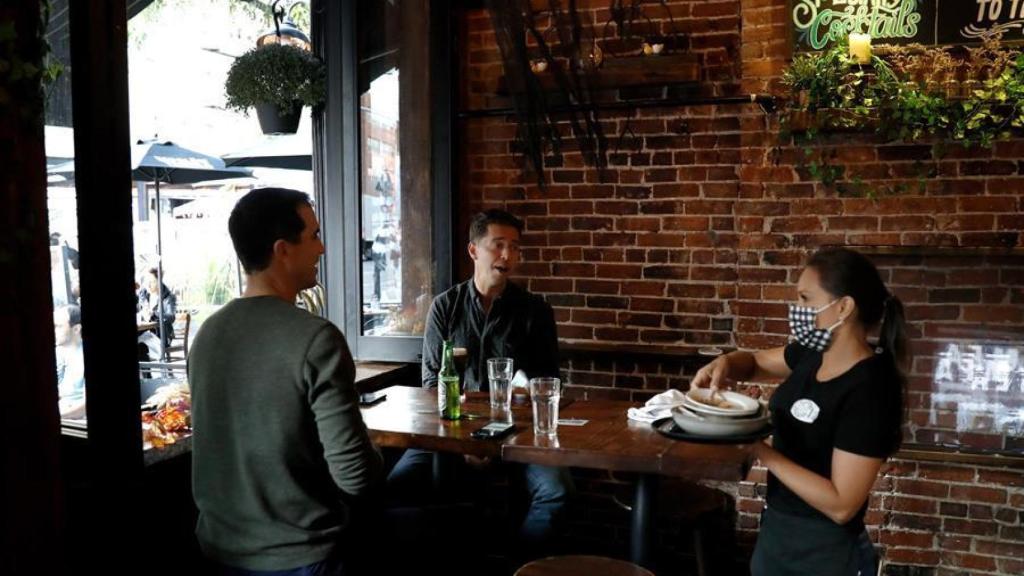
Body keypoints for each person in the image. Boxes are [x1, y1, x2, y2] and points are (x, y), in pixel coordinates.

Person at [189, 188, 384, 575]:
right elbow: (356, 476)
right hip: (303, 556)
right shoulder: (316, 339)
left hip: (218, 552)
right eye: (313, 236)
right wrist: (374, 450)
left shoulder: (207, 334)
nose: (322, 248)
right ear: (282, 250)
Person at [692, 247, 906, 576]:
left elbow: (842, 505)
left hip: (823, 551)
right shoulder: (812, 353)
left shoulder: (871, 388)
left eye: (806, 299)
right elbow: (756, 362)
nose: (798, 310)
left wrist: (756, 445)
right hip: (778, 531)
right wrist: (725, 362)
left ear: (844, 307)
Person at [386, 209, 572, 560]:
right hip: (448, 432)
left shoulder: (535, 311)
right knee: (393, 488)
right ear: (474, 250)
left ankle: (516, 565)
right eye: (498, 245)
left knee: (557, 491)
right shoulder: (445, 307)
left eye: (515, 248)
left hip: (520, 435)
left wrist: (524, 399)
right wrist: (463, 443)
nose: (507, 255)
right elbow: (430, 385)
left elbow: (550, 384)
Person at [54, 304, 86, 419]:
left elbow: (84, 407)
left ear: (76, 329)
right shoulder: (58, 353)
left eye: (58, 326)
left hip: (77, 422)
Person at [136, 267, 176, 356]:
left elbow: (171, 317)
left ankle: (147, 368)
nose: (148, 285)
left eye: (152, 282)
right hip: (145, 332)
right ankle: (146, 369)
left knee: (141, 346)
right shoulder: (143, 295)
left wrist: (154, 314)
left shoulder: (168, 297)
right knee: (140, 345)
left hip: (161, 336)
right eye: (147, 282)